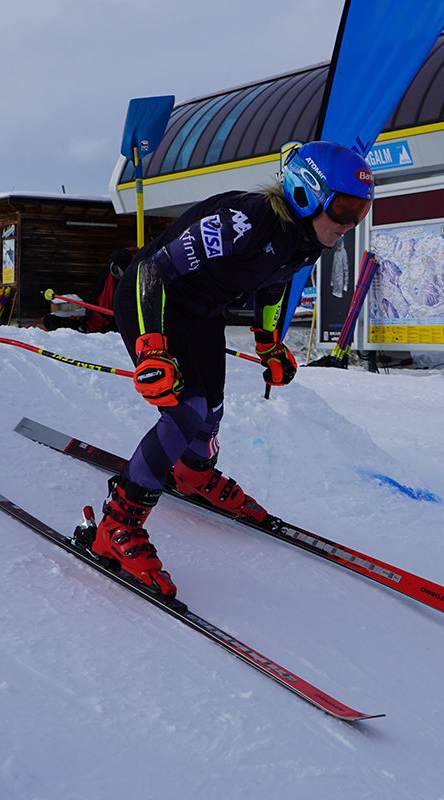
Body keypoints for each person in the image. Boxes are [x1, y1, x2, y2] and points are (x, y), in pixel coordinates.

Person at [75, 141, 375, 597]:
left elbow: (274, 283)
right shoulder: (246, 220)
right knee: (184, 411)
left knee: (210, 410)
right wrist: (152, 348)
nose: (351, 223)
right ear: (306, 193)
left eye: (361, 211)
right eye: (345, 209)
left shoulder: (307, 237)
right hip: (152, 303)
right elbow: (152, 270)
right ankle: (116, 528)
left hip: (200, 311)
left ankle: (193, 475)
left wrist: (269, 344)